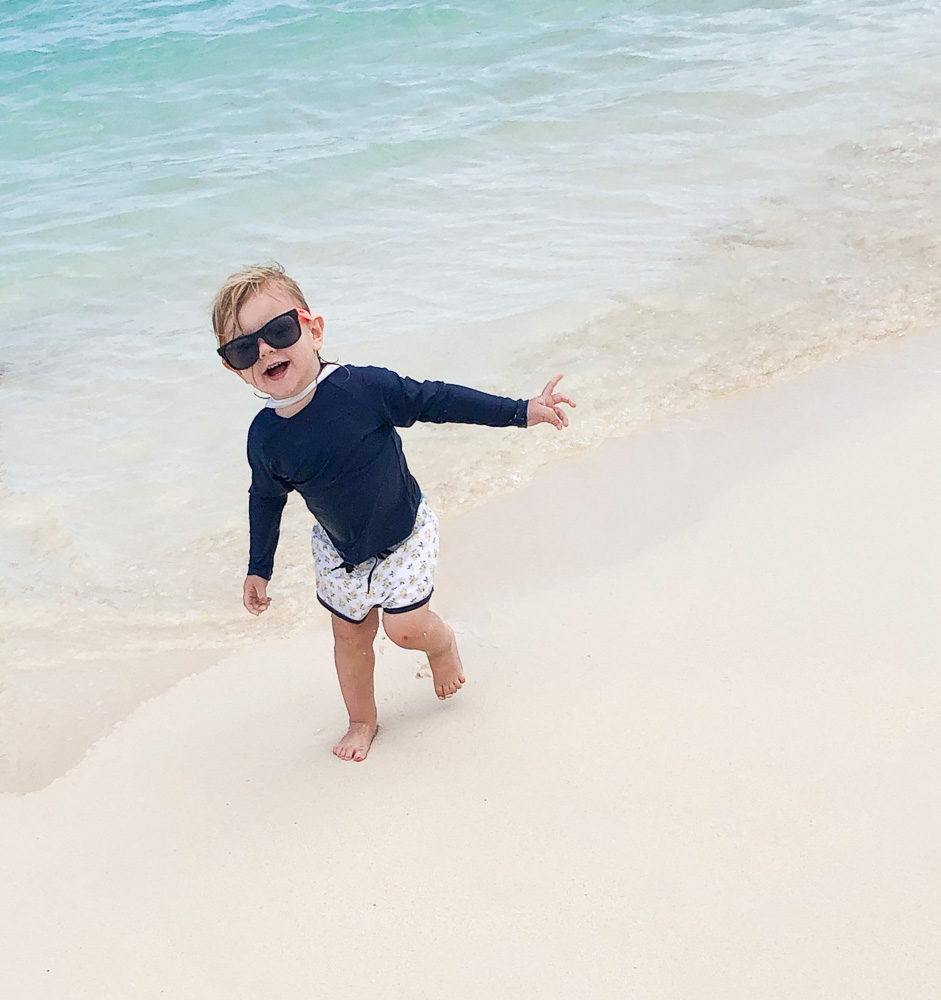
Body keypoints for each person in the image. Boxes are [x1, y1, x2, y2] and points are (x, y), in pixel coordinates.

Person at [211, 264, 575, 762]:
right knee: (350, 636)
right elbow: (266, 499)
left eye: (279, 331)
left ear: (313, 329)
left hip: (404, 530)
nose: (267, 350)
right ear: (234, 368)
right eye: (243, 347)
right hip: (341, 550)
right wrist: (259, 567)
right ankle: (362, 720)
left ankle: (442, 646)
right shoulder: (265, 437)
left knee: (403, 629)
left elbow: (437, 400)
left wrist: (519, 410)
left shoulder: (364, 389)